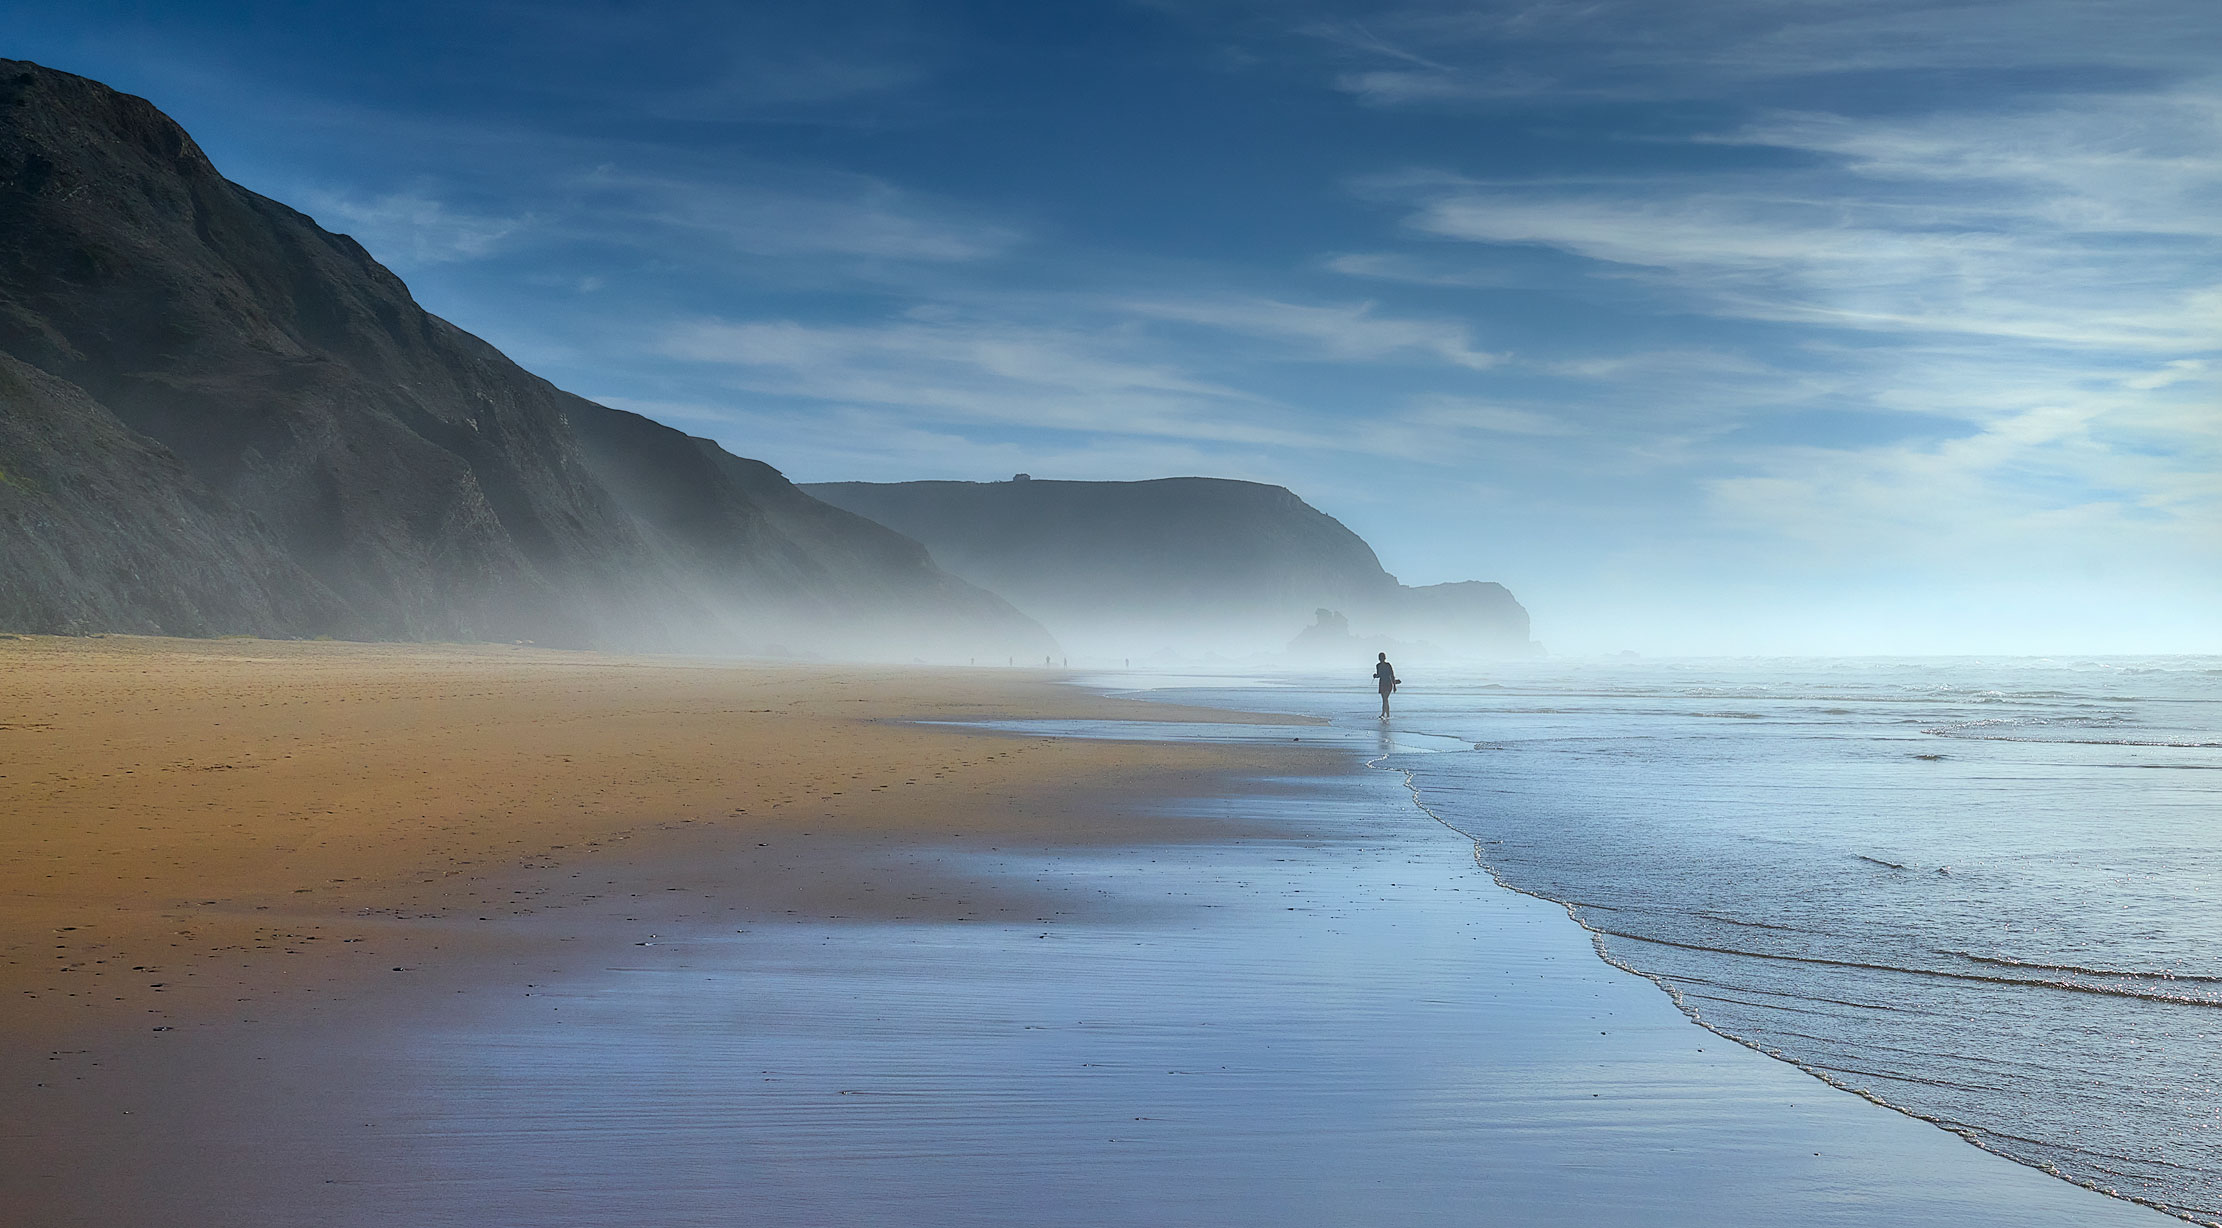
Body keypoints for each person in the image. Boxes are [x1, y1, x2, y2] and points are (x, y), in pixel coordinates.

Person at [1373, 652, 1399, 719]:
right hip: (1382, 683)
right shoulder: (1378, 665)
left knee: (1385, 699)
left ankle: (1383, 714)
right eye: (1380, 657)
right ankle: (1387, 715)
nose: (1381, 659)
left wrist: (1394, 686)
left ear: (1384, 658)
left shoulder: (1388, 665)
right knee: (1384, 700)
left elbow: (1392, 675)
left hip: (1388, 683)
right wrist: (1375, 676)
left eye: (1382, 657)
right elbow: (1379, 675)